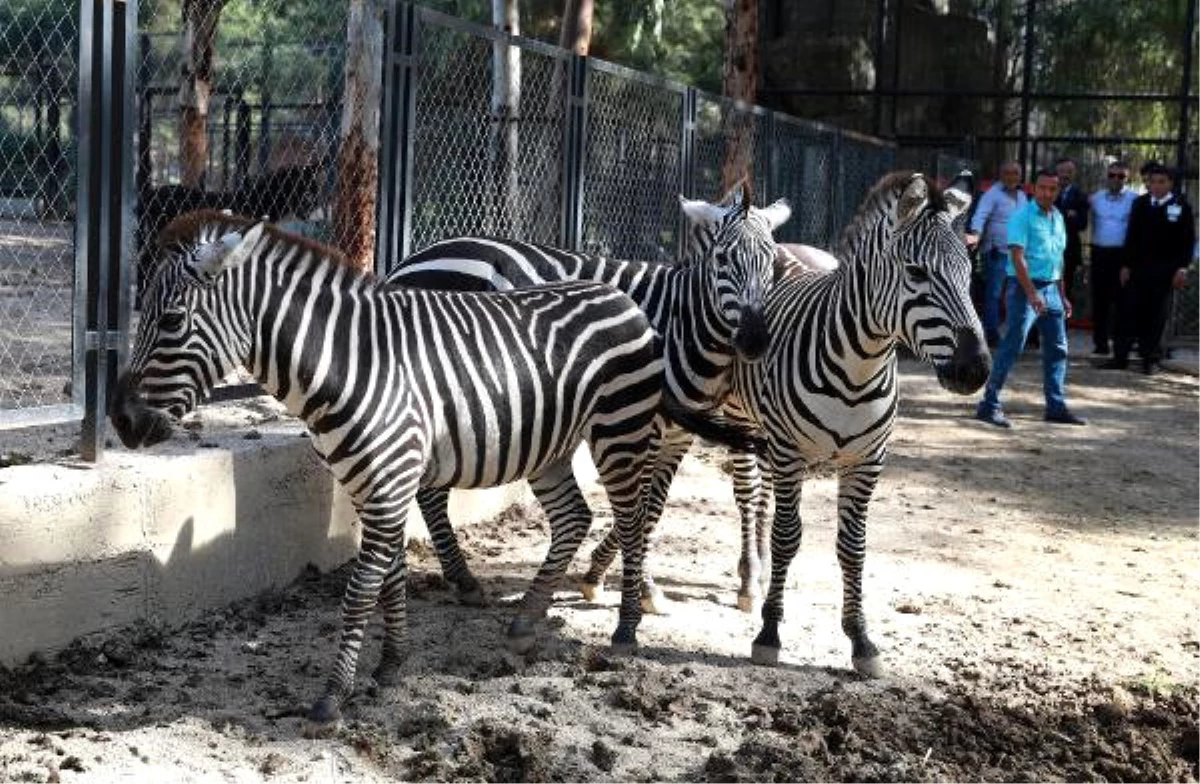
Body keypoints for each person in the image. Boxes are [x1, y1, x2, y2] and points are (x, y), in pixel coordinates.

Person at [975, 168, 1087, 428]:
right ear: (1033, 189)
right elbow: (1017, 257)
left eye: (1053, 189)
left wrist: (1062, 295)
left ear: (1057, 191)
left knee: (1058, 348)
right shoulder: (1022, 217)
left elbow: (1057, 258)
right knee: (1013, 345)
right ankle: (988, 404)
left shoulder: (1057, 217)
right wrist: (1032, 293)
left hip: (1051, 288)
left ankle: (1055, 406)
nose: (1048, 193)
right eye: (1043, 188)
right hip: (1024, 288)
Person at [1101, 163, 1194, 375]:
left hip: (1164, 271)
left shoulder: (1182, 206)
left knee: (1155, 315)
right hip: (1137, 270)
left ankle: (1149, 359)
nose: (1157, 186)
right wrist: (1125, 264)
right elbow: (1131, 236)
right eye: (1153, 182)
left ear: (1170, 183)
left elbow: (1187, 241)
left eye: (1162, 182)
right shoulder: (1140, 204)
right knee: (1127, 312)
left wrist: (1182, 268)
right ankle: (1120, 357)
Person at [965, 161, 1027, 347]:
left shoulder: (1023, 195)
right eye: (1007, 173)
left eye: (1015, 173)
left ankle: (1012, 334)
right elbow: (980, 215)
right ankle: (991, 335)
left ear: (1020, 176)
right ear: (1001, 175)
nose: (1011, 177)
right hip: (996, 252)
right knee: (993, 295)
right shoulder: (992, 194)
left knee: (1014, 295)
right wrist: (975, 234)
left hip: (1018, 254)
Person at [1088, 160, 1137, 355]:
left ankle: (1120, 345)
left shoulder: (1135, 199)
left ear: (1128, 178)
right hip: (1099, 253)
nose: (1116, 179)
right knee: (1099, 300)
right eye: (1112, 175)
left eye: (1121, 176)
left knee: (1122, 301)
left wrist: (1130, 261)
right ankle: (1100, 344)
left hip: (1122, 255)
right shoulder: (1096, 198)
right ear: (1107, 177)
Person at [1054, 157, 1090, 306]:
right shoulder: (1048, 190)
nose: (1065, 175)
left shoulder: (1081, 196)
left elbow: (1082, 224)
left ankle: (1061, 325)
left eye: (1069, 171)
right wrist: (1068, 213)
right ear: (1056, 172)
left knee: (1065, 288)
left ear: (1074, 173)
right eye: (1062, 171)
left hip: (1069, 250)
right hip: (1046, 249)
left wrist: (1062, 214)